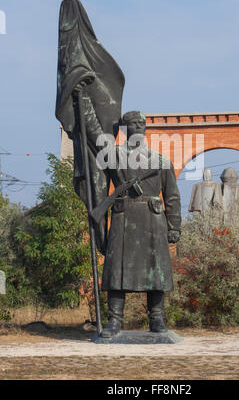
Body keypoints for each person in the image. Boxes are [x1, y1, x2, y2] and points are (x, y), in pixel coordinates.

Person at [78, 105, 181, 337]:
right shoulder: (112, 156)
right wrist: (83, 103)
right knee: (117, 271)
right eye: (134, 124)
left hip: (153, 221)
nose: (139, 128)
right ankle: (114, 321)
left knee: (157, 272)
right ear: (124, 129)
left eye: (142, 124)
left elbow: (172, 197)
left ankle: (157, 320)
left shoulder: (160, 160)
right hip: (123, 218)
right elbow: (98, 181)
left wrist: (174, 226)